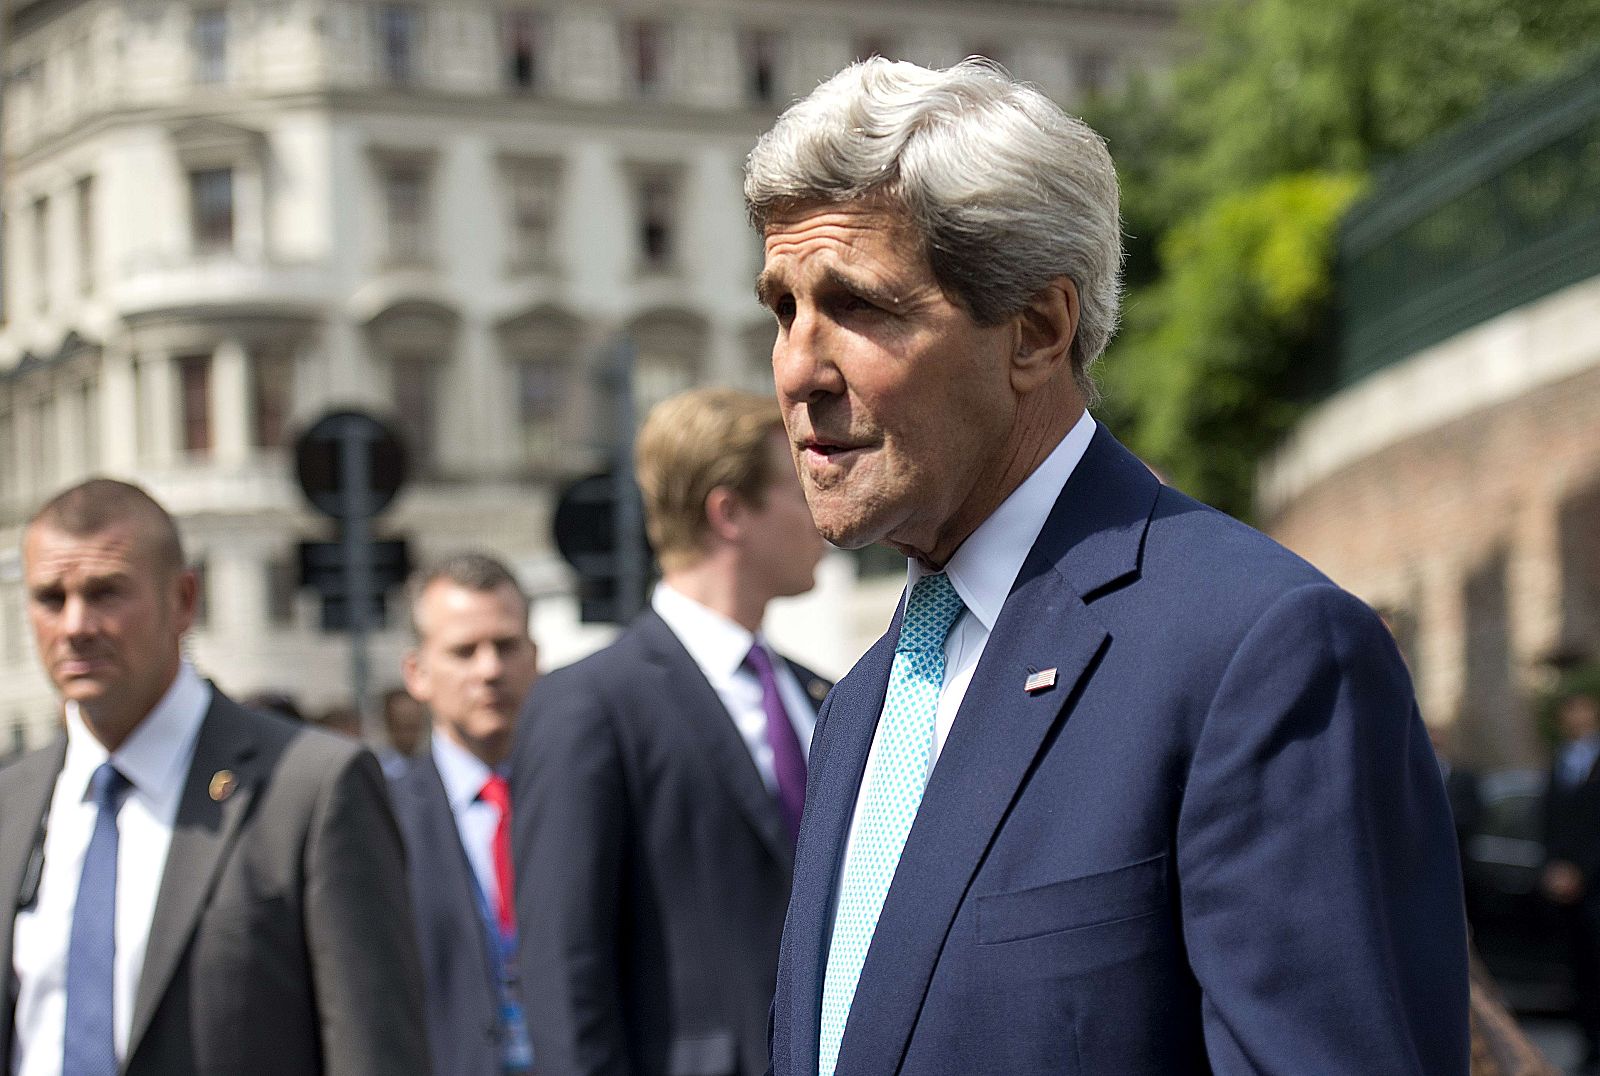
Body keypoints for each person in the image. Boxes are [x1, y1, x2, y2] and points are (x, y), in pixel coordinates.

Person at [744, 59, 1468, 1074]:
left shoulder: (1261, 652)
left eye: (858, 307)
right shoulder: (864, 701)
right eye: (782, 307)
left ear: (1037, 330)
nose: (796, 368)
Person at [0, 478, 428, 1075]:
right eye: (51, 598)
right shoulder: (13, 805)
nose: (76, 625)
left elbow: (374, 1051)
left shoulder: (310, 790)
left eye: (106, 593)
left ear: (183, 600)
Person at [512, 387, 832, 1076]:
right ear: (728, 512)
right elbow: (565, 980)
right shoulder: (589, 706)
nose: (823, 510)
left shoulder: (825, 695)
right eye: (797, 485)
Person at [389, 554, 540, 1076]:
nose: (489, 669)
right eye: (463, 651)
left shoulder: (581, 800)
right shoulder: (382, 820)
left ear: (535, 656)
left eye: (505, 646)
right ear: (417, 673)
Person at [1541, 680, 1600, 1072]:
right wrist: (1554, 867)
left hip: (1596, 885)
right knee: (1580, 976)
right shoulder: (1559, 762)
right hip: (1568, 892)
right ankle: (1590, 1046)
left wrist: (1582, 869)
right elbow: (1549, 823)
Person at [379, 686, 429, 779]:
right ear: (390, 726)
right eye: (404, 728)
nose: (410, 735)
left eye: (414, 727)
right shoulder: (380, 772)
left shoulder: (430, 767)